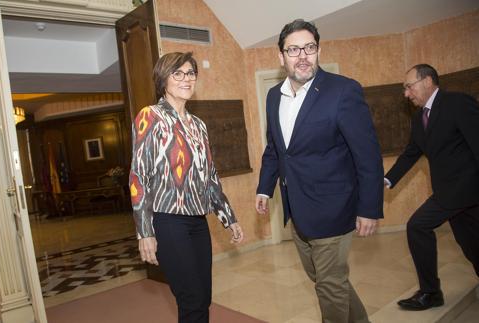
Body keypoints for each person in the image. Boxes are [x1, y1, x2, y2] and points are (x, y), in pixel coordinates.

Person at [255, 19, 383, 323]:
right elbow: (275, 149)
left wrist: (369, 208)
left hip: (333, 208)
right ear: (281, 57)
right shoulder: (274, 96)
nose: (302, 56)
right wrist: (264, 187)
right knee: (327, 280)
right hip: (296, 210)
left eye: (309, 48)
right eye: (294, 49)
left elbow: (368, 156)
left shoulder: (343, 91)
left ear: (318, 50)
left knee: (329, 286)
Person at [129, 52, 244, 323]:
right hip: (168, 221)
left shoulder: (198, 125)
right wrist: (144, 231)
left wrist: (229, 218)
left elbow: (210, 177)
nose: (186, 78)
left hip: (197, 221)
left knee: (202, 297)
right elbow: (139, 176)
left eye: (191, 73)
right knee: (191, 300)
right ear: (163, 79)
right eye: (177, 73)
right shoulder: (150, 117)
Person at [385, 64, 479, 311]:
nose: (406, 93)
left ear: (427, 81)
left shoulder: (457, 103)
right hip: (451, 195)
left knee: (417, 225)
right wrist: (387, 179)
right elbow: (411, 154)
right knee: (471, 244)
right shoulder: (419, 119)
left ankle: (430, 292)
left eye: (409, 86)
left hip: (467, 189)